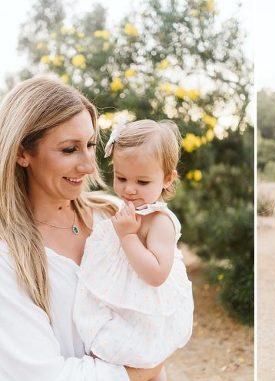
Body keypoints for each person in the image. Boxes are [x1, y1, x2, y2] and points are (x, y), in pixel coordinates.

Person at [0, 76, 162, 380]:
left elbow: (159, 303)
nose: (89, 165)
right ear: (22, 152)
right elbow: (43, 376)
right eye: (69, 150)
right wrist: (142, 369)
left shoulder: (114, 216)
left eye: (90, 144)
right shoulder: (8, 256)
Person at [73, 119, 194, 380]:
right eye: (121, 177)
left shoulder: (160, 221)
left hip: (144, 313)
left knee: (145, 360)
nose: (129, 189)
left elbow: (156, 274)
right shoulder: (127, 209)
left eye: (142, 181)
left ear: (167, 178)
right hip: (121, 305)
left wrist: (128, 236)